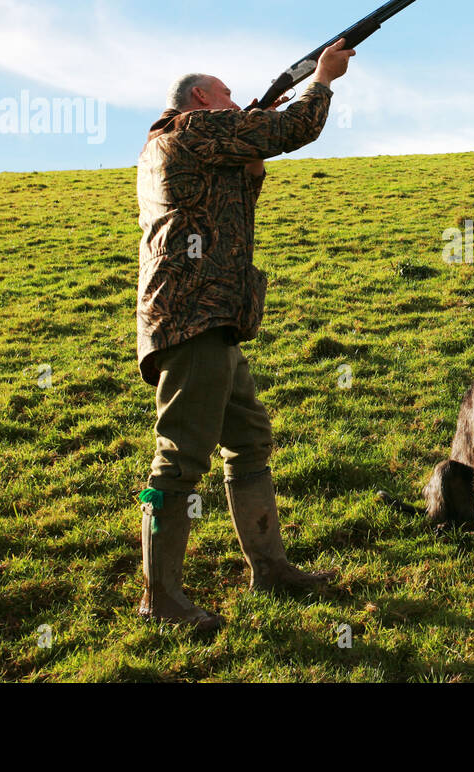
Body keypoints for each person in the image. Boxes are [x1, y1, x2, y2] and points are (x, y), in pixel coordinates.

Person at [134, 39, 355, 632]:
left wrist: (256, 144)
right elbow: (294, 131)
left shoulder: (184, 145)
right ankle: (160, 599)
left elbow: (233, 200)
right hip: (193, 317)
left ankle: (270, 567)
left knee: (250, 440)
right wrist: (324, 79)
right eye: (227, 94)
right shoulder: (191, 127)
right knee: (178, 461)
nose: (235, 103)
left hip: (214, 317)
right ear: (202, 97)